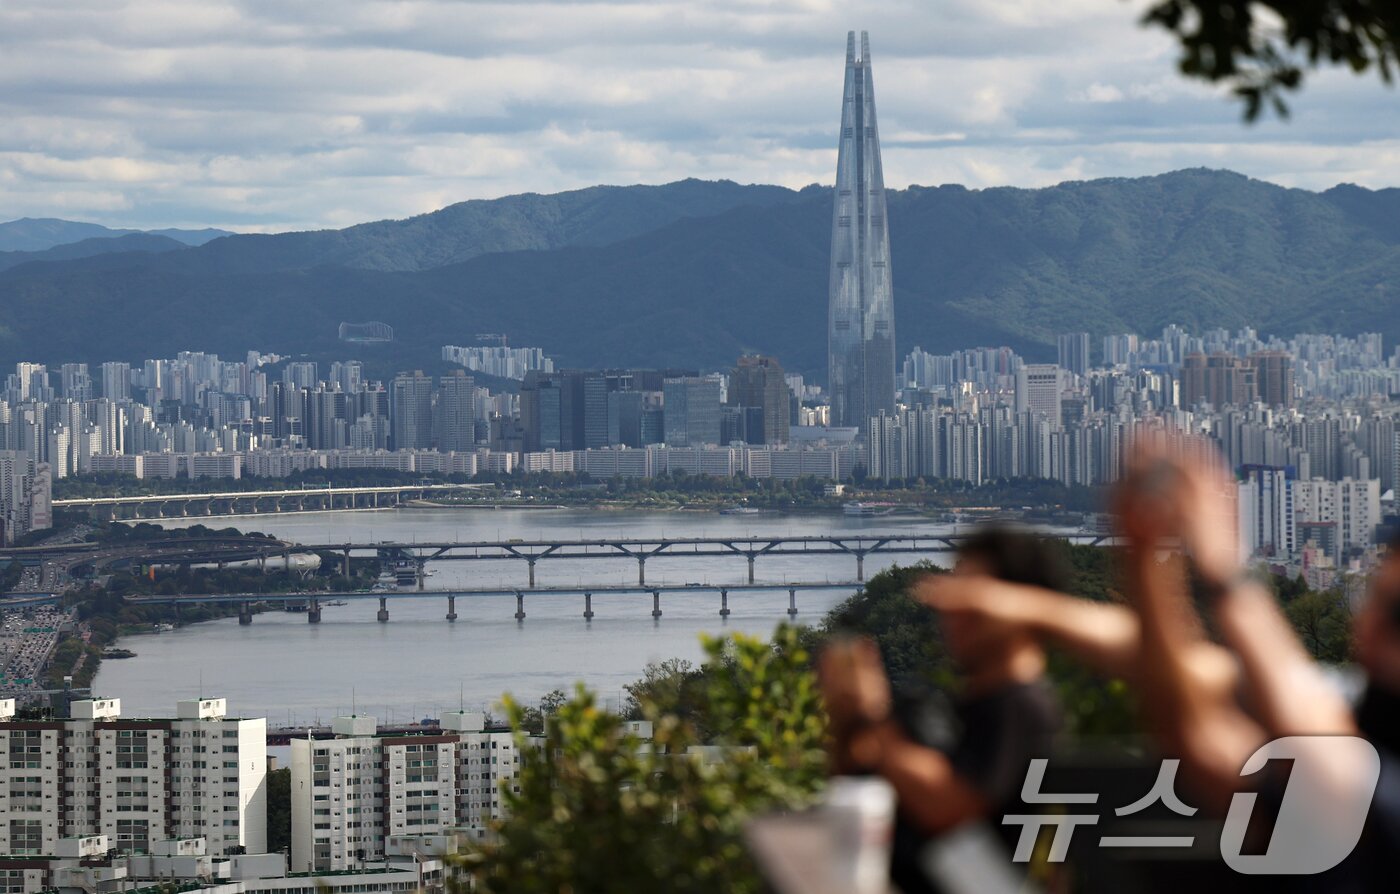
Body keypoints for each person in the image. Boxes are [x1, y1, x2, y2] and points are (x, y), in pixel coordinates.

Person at [818, 527, 1064, 892]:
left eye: (972, 604)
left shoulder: (1020, 707)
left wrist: (870, 715)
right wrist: (847, 718)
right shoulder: (966, 707)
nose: (952, 617)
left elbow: (951, 808)